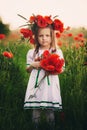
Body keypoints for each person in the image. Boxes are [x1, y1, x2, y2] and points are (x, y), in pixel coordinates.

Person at [22, 14, 65, 130]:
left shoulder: (56, 51)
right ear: (36, 37)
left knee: (49, 110)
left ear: (52, 37)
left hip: (49, 83)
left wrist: (51, 69)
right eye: (41, 35)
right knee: (36, 110)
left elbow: (61, 69)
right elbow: (27, 70)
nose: (44, 38)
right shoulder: (32, 52)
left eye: (47, 35)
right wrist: (33, 65)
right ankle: (35, 126)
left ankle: (51, 126)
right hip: (35, 85)